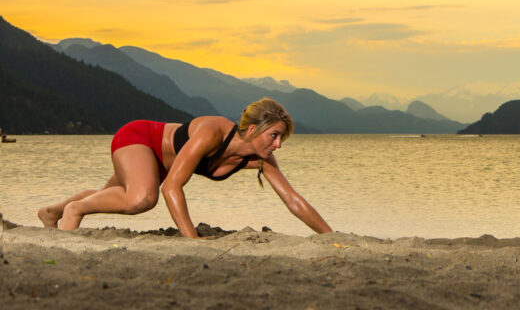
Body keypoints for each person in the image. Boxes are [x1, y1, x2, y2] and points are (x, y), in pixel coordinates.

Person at [37, 98, 331, 238]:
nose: (278, 144)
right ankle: (74, 211)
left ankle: (53, 211)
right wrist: (192, 241)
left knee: (114, 194)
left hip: (157, 164)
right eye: (274, 136)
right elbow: (171, 187)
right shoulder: (213, 132)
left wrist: (330, 237)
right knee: (141, 198)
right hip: (140, 138)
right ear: (253, 129)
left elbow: (293, 199)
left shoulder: (260, 159)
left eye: (281, 138)